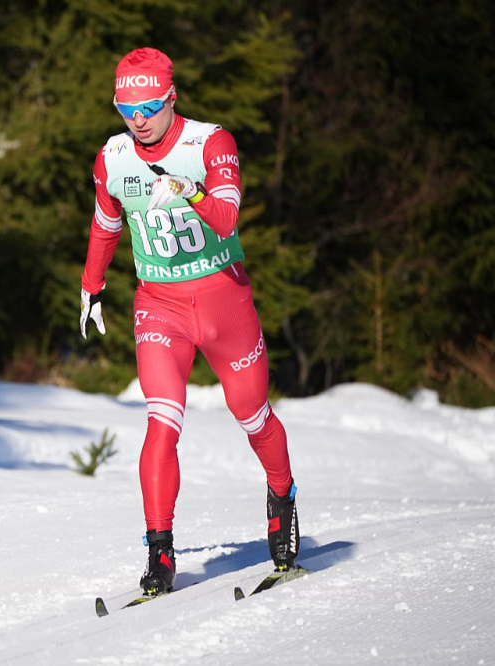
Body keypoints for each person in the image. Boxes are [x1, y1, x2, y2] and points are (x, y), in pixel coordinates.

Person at [79, 47, 300, 596]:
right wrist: (91, 285)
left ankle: (281, 497)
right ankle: (160, 551)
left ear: (171, 98)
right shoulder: (113, 158)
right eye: (126, 109)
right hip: (161, 305)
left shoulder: (211, 143)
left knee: (252, 415)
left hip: (225, 301)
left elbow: (226, 219)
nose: (138, 120)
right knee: (162, 420)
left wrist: (189, 188)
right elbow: (106, 223)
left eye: (149, 107)